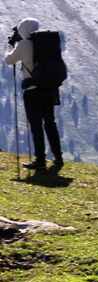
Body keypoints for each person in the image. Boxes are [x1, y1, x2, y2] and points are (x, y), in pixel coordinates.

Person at [4, 18, 63, 171]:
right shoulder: (47, 44)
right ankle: (58, 158)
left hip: (32, 91)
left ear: (22, 30)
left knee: (36, 126)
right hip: (49, 89)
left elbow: (9, 60)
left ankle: (40, 160)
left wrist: (11, 45)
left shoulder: (24, 44)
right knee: (50, 123)